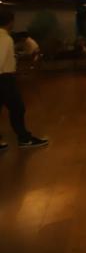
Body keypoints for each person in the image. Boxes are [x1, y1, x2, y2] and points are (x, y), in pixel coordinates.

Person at [0, 8, 48, 151]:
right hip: (4, 78)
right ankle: (24, 138)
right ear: (10, 22)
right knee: (18, 108)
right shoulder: (5, 38)